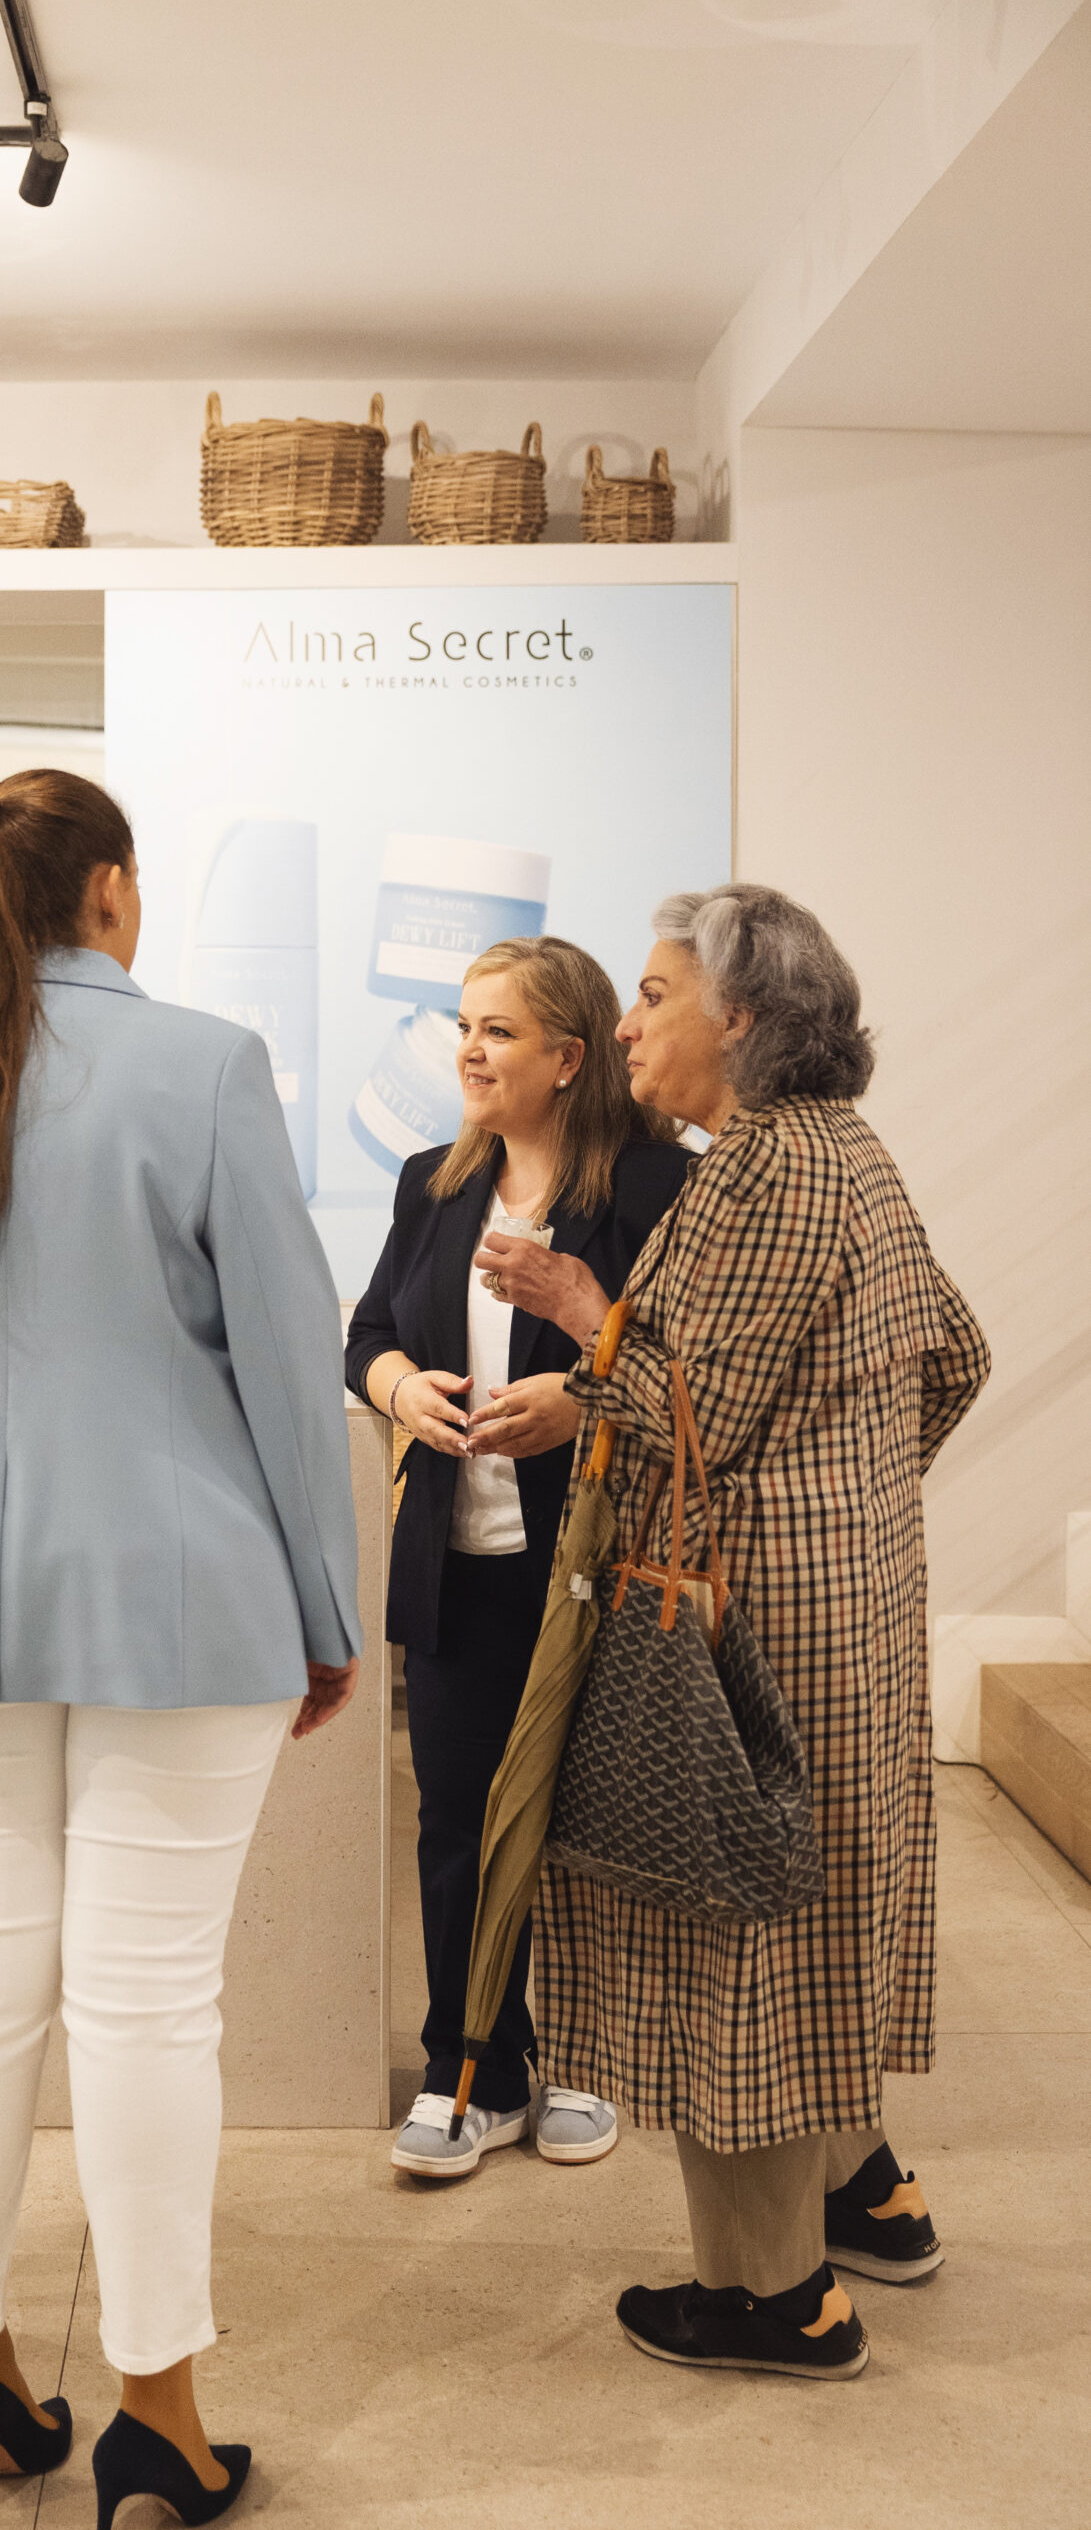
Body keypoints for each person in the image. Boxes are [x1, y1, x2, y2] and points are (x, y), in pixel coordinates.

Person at [0, 770, 361, 2528]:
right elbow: (288, 1365)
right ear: (108, 888)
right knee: (144, 2004)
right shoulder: (204, 1066)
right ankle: (157, 2418)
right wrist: (325, 1611)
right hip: (181, 1598)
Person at [477, 883, 989, 2380]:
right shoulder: (844, 1151)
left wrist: (580, 1344)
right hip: (839, 1612)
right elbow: (953, 1355)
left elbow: (685, 1401)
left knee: (733, 1933)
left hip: (747, 1621)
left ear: (742, 1018)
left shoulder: (766, 1164)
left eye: (653, 995)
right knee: (810, 1908)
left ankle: (775, 2299)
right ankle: (861, 2195)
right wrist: (852, 1501)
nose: (627, 1022)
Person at [346, 936, 691, 2181]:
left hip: (591, 1566)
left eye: (498, 1031)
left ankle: (587, 2058)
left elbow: (691, 1370)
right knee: (457, 1821)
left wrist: (578, 1396)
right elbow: (368, 1334)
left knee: (585, 1823)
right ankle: (472, 2067)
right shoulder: (431, 1182)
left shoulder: (656, 1184)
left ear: (568, 1057)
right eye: (464, 1025)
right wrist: (401, 1388)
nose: (469, 1052)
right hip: (457, 1555)